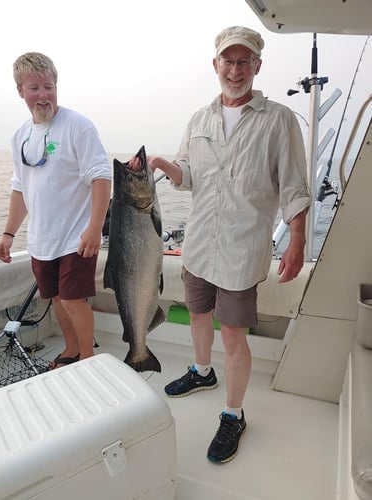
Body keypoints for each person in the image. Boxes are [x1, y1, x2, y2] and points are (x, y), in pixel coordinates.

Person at [129, 25, 311, 464]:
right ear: (215, 66)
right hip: (198, 246)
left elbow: (294, 187)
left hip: (241, 250)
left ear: (257, 66)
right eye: (228, 61)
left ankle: (233, 414)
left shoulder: (280, 119)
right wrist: (157, 163)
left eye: (244, 61)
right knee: (197, 314)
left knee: (232, 332)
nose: (235, 69)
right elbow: (188, 175)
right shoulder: (200, 118)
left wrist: (298, 239)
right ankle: (202, 372)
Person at [0, 52, 112, 370]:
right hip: (41, 239)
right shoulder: (20, 136)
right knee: (57, 298)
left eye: (49, 86)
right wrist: (8, 233)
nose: (44, 95)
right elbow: (20, 188)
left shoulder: (78, 126)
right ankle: (71, 350)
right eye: (35, 88)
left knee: (74, 299)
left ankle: (88, 359)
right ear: (21, 91)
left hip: (76, 237)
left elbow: (101, 178)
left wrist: (94, 228)